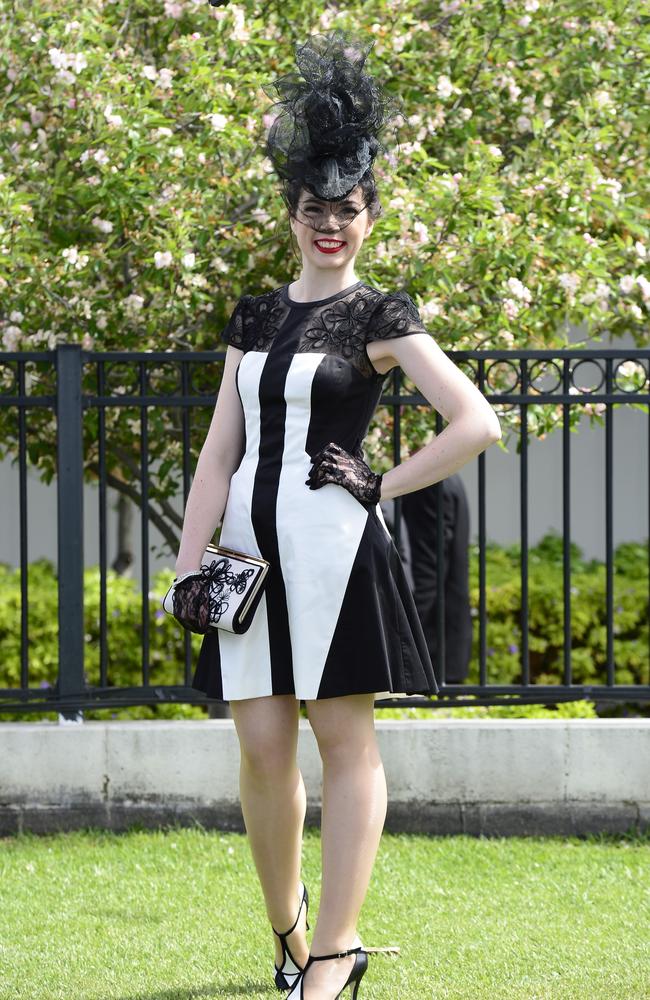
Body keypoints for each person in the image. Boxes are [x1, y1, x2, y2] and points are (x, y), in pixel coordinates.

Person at [170, 30, 501, 1000]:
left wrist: (379, 481)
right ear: (292, 212)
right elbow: (216, 451)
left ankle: (334, 951)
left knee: (342, 742)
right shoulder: (251, 320)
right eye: (315, 209)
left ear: (367, 214)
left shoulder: (379, 316)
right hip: (245, 561)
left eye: (347, 211)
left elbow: (472, 419)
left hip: (333, 554)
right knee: (262, 748)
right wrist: (190, 563)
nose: (330, 226)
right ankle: (288, 928)